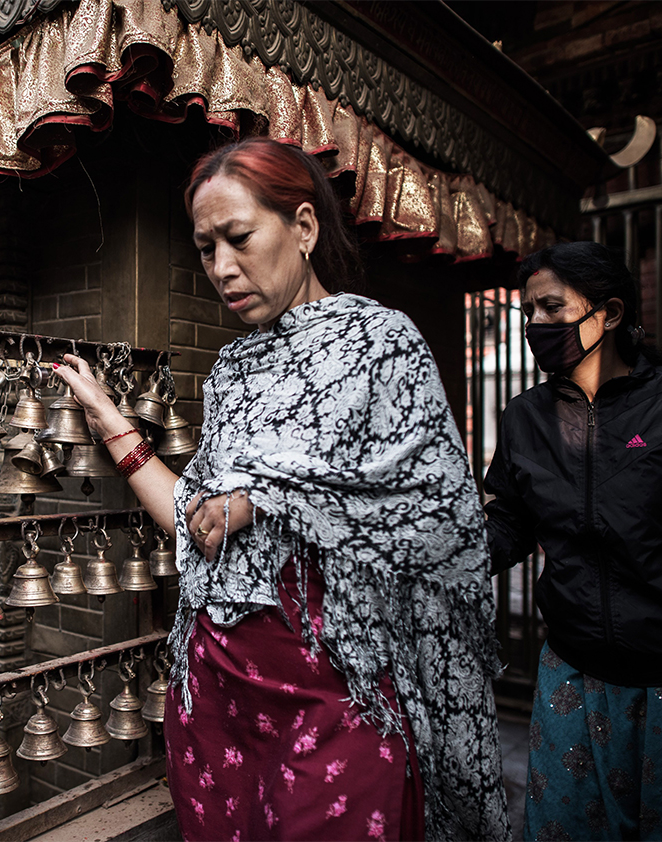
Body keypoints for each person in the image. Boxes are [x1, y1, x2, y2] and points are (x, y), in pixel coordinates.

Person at [54, 137, 510, 841]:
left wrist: (271, 497)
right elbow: (196, 523)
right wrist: (112, 421)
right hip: (218, 693)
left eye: (238, 238)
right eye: (206, 249)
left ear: (303, 226)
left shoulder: (379, 343)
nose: (222, 268)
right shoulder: (233, 370)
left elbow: (436, 520)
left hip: (337, 697)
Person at [484, 241, 662, 841]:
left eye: (552, 308)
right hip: (574, 672)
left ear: (611, 313)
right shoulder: (526, 418)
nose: (536, 324)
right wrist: (441, 545)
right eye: (529, 312)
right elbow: (509, 523)